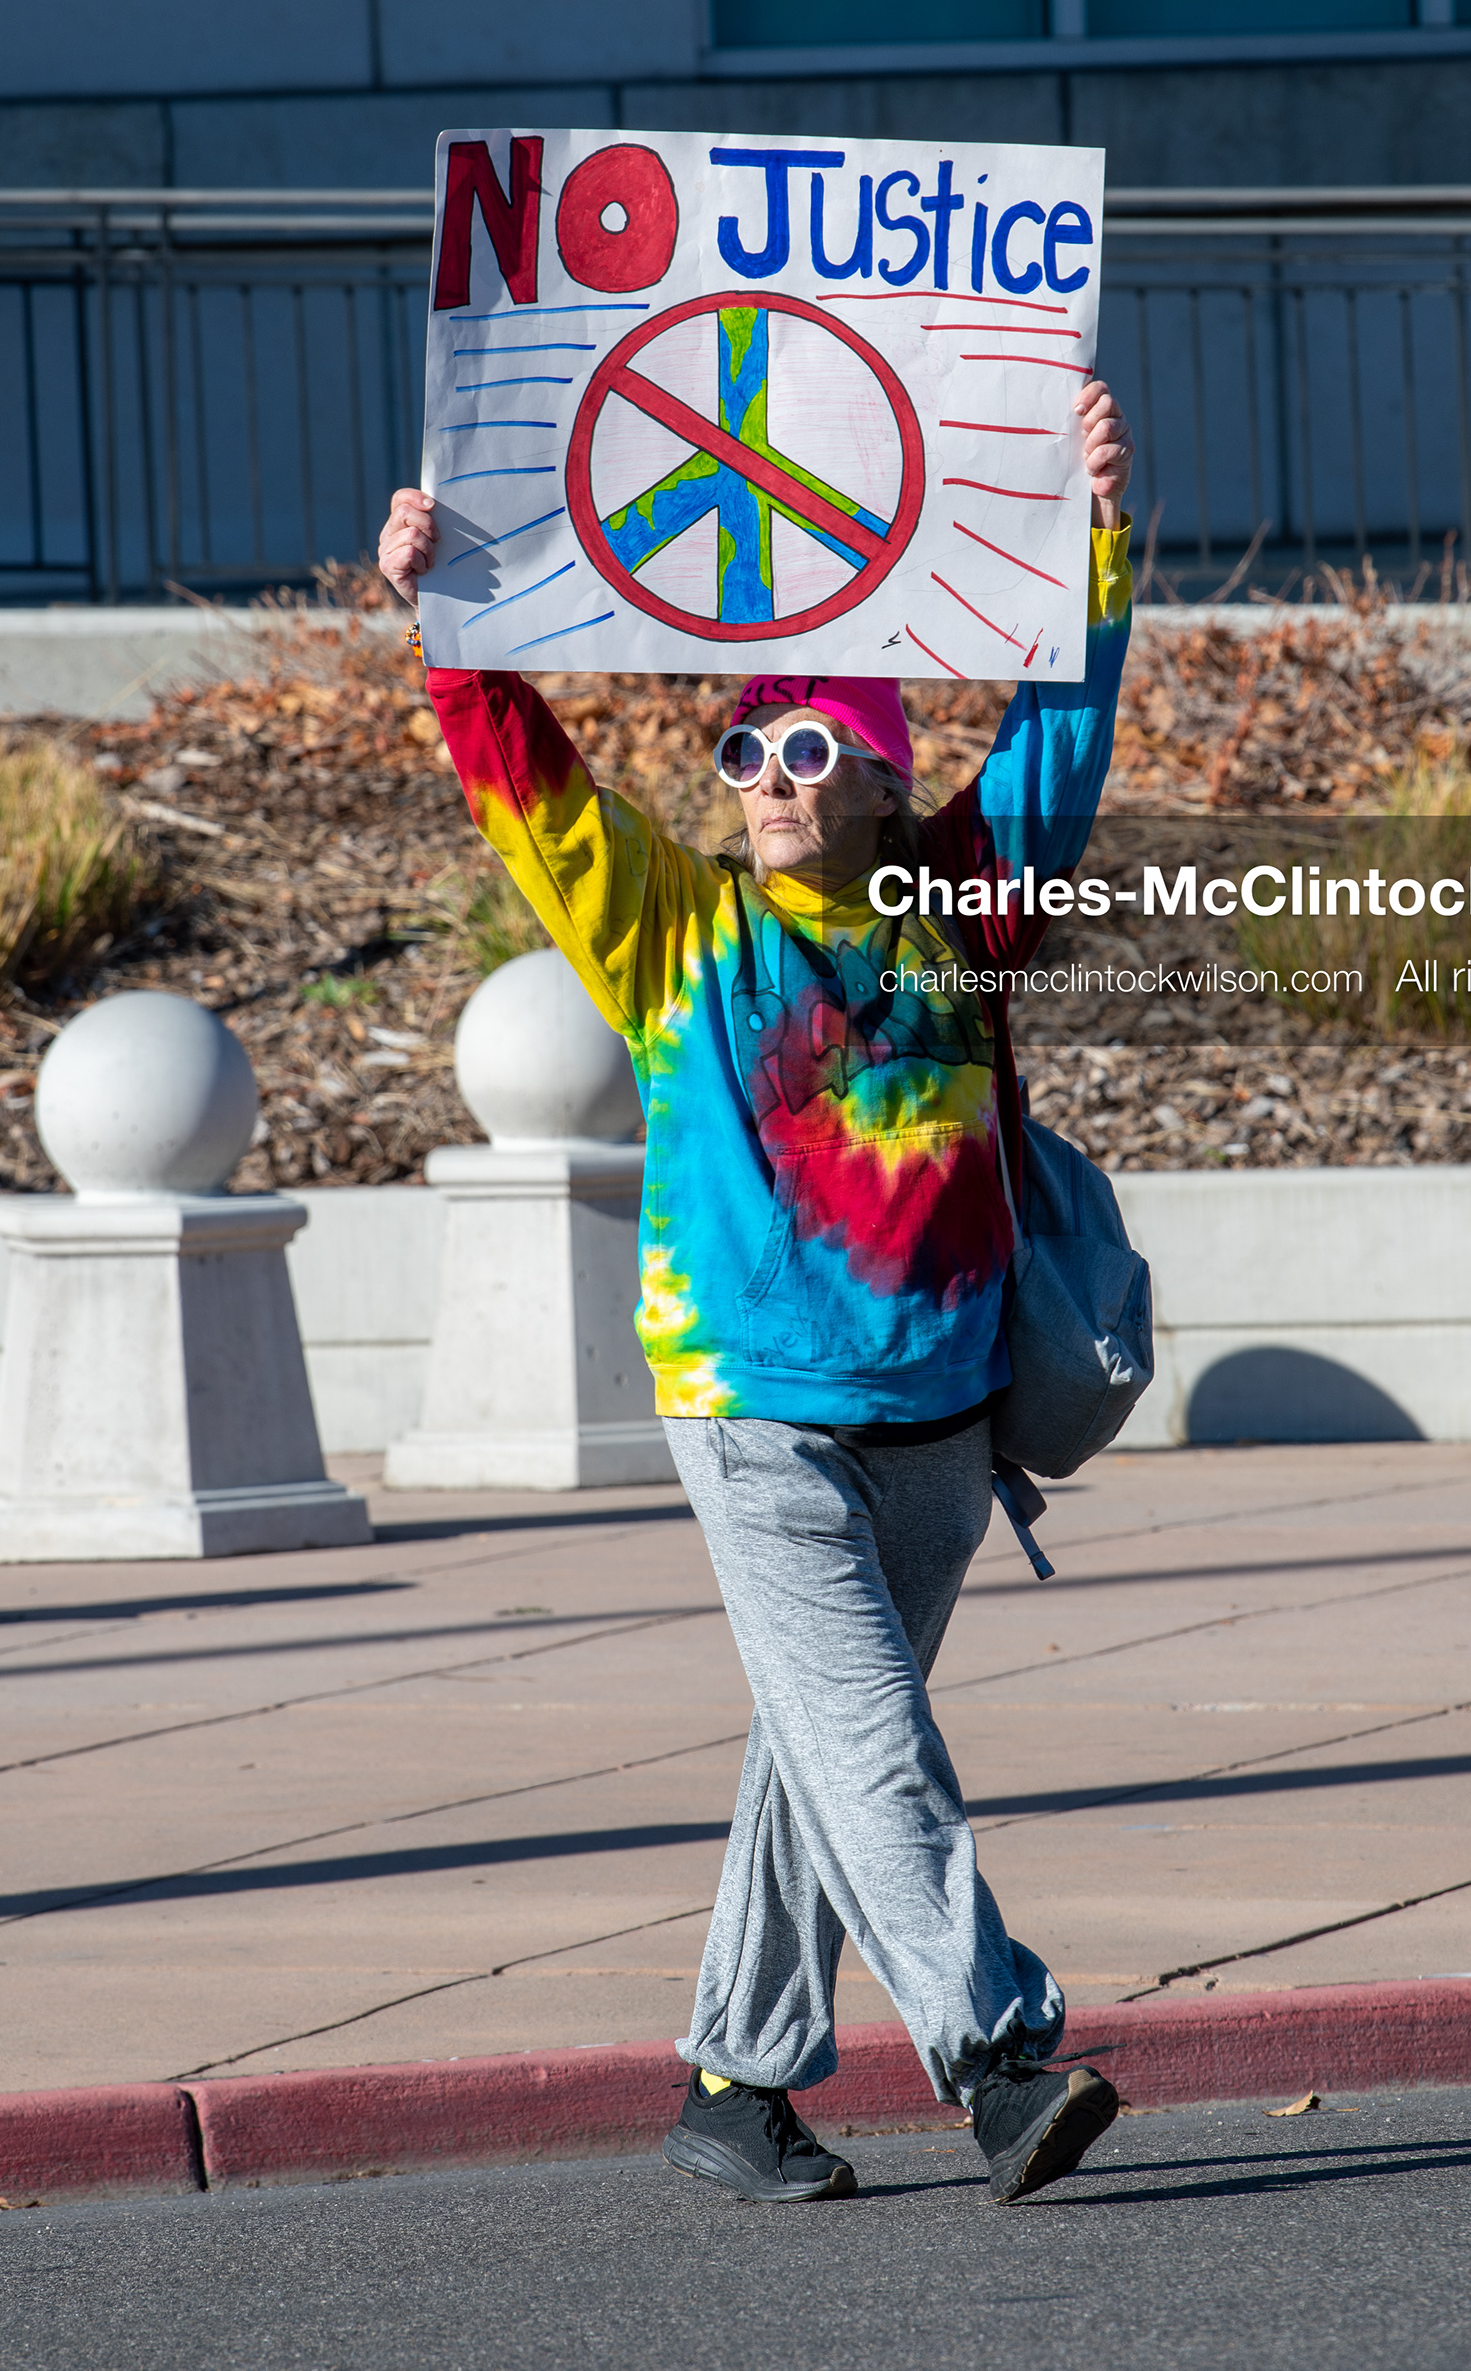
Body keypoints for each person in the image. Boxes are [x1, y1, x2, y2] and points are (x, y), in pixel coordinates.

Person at [377, 374, 1136, 2206]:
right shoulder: (678, 933)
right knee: (877, 1746)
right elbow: (531, 795)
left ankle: (735, 2082)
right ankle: (1002, 2053)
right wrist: (448, 624)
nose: (773, 784)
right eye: (747, 753)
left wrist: (1100, 535)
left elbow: (1068, 720)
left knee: (821, 1759)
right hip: (756, 1416)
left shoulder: (965, 900)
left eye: (810, 751)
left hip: (945, 1419)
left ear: (883, 770)